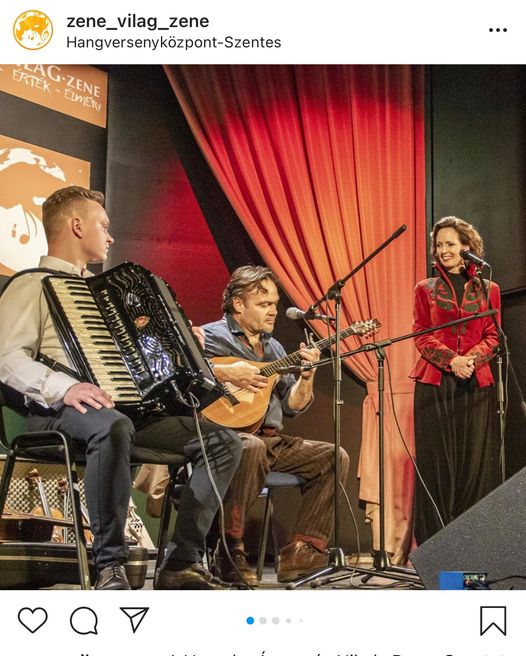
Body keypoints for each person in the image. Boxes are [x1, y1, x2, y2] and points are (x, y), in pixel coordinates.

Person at [0, 186, 242, 590]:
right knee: (113, 426)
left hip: (122, 414)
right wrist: (63, 387)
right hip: (54, 413)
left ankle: (181, 561)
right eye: (104, 225)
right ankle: (109, 563)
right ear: (77, 226)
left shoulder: (105, 292)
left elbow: (138, 361)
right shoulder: (33, 285)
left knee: (223, 442)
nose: (111, 237)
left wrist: (180, 343)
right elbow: (6, 355)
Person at [202, 265, 350, 585]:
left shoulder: (275, 348)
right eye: (264, 304)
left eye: (274, 303)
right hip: (224, 439)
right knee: (250, 446)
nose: (273, 311)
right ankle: (228, 549)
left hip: (270, 439)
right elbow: (185, 370)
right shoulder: (211, 336)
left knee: (334, 456)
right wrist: (228, 374)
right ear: (238, 303)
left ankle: (301, 552)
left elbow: (291, 407)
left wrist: (306, 378)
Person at [410, 215, 501, 543]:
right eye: (439, 245)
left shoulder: (489, 289)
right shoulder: (425, 289)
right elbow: (421, 334)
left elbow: (493, 335)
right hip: (435, 384)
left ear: (467, 247)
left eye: (450, 244)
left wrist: (470, 361)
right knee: (437, 469)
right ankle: (435, 548)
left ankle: (469, 546)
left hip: (475, 385)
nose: (443, 250)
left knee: (472, 468)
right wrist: (453, 360)